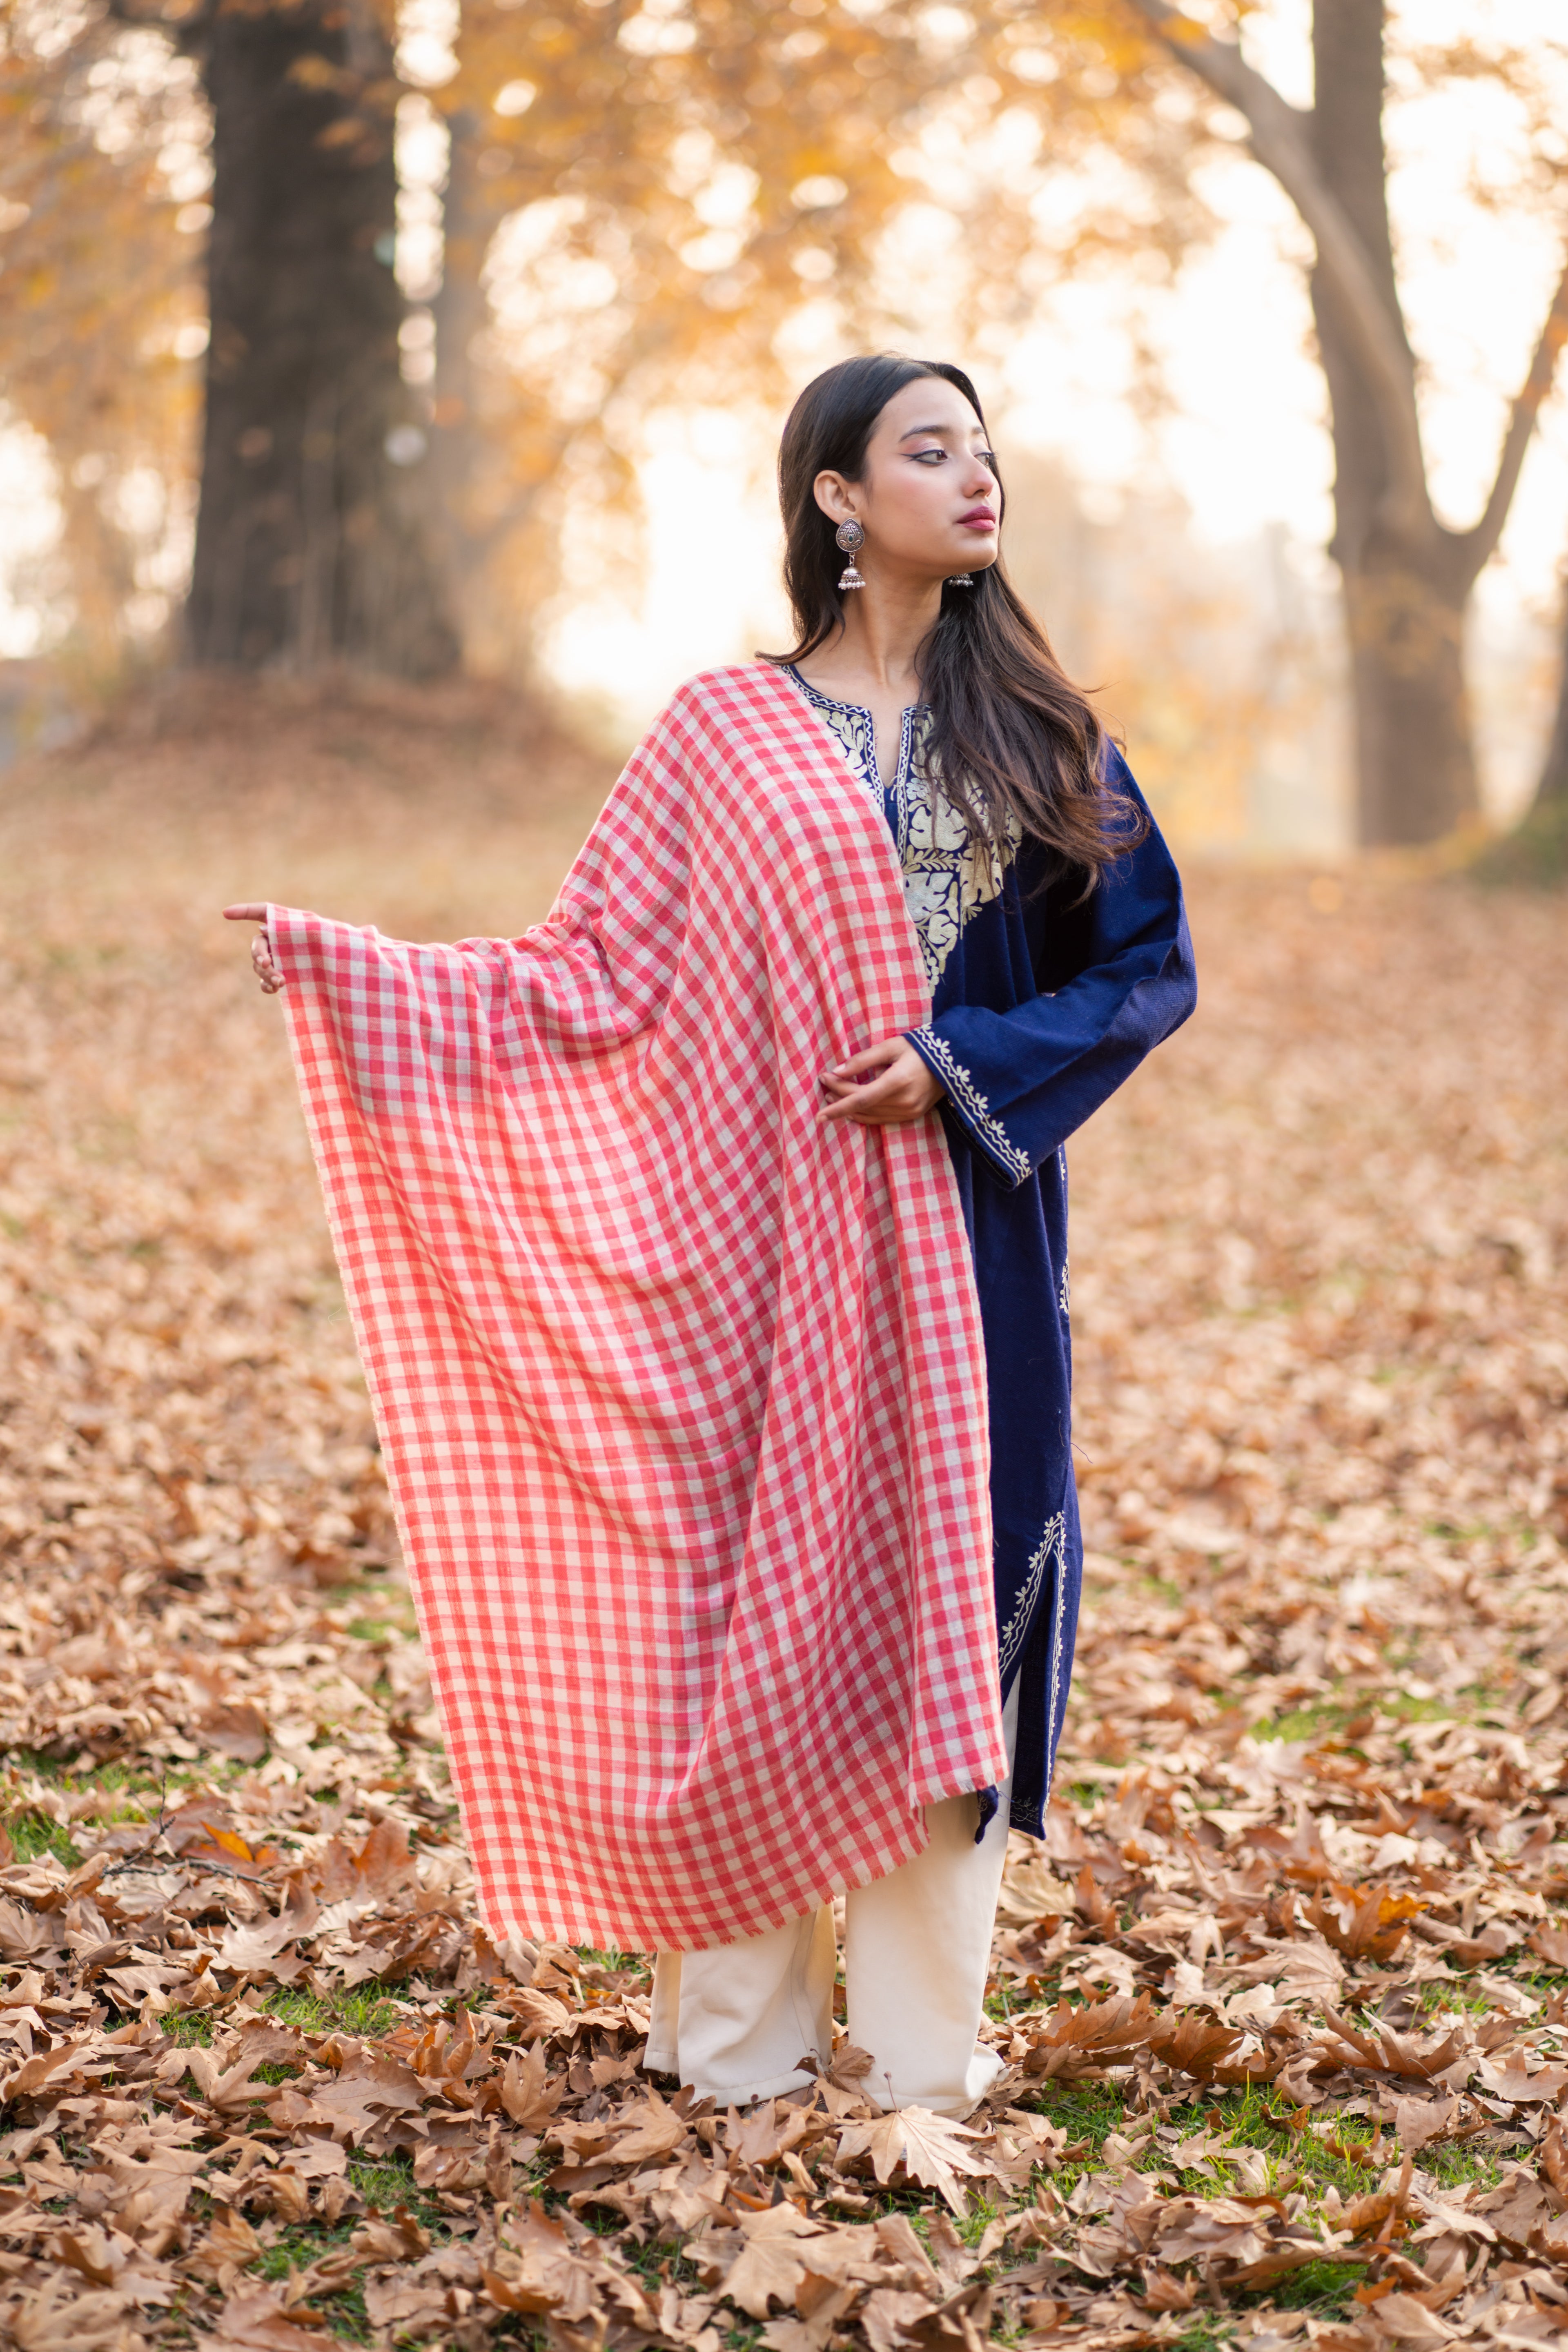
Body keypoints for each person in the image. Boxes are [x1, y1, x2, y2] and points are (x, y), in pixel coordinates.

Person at [227, 353, 1195, 2119]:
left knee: (947, 1609)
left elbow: (1146, 973)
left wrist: (962, 1057)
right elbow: (584, 968)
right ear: (837, 495)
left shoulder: (1046, 735)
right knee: (755, 1629)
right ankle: (740, 2052)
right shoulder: (721, 733)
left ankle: (919, 2059)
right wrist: (357, 968)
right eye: (930, 448)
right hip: (755, 1252)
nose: (976, 476)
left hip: (970, 1256)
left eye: (986, 447)